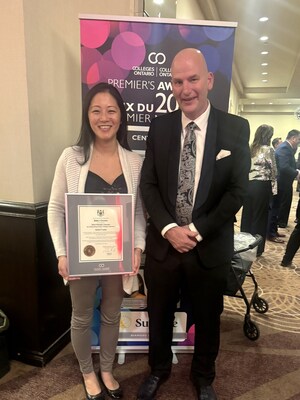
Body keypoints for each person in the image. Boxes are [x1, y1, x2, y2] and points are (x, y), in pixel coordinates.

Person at [138, 48, 250, 400]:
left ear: (209, 81)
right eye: (177, 81)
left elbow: (236, 192)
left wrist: (197, 230)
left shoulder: (235, 128)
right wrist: (171, 230)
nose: (186, 89)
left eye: (193, 79)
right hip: (165, 246)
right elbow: (149, 185)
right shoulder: (160, 126)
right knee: (158, 314)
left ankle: (203, 376)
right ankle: (158, 370)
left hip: (209, 245)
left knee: (208, 317)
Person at [48, 82, 146, 400]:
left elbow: (139, 214)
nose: (104, 117)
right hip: (82, 255)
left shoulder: (135, 161)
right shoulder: (71, 157)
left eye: (111, 110)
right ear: (87, 116)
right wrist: (62, 252)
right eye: (96, 110)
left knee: (111, 314)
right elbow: (56, 208)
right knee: (80, 313)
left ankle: (106, 369)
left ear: (121, 117)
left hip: (117, 256)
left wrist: (138, 247)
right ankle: (87, 373)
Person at [240, 124, 277, 256]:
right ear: (268, 135)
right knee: (259, 217)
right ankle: (256, 249)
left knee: (247, 215)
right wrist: (274, 189)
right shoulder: (269, 149)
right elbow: (273, 171)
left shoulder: (251, 148)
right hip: (262, 185)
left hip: (249, 185)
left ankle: (243, 245)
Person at [275, 130, 300, 228]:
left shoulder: (287, 147)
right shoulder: (284, 147)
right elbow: (284, 166)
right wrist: (297, 173)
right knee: (283, 203)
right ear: (293, 138)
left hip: (285, 181)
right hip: (282, 182)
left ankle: (280, 222)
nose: (299, 142)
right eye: (298, 139)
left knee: (284, 202)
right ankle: (280, 222)